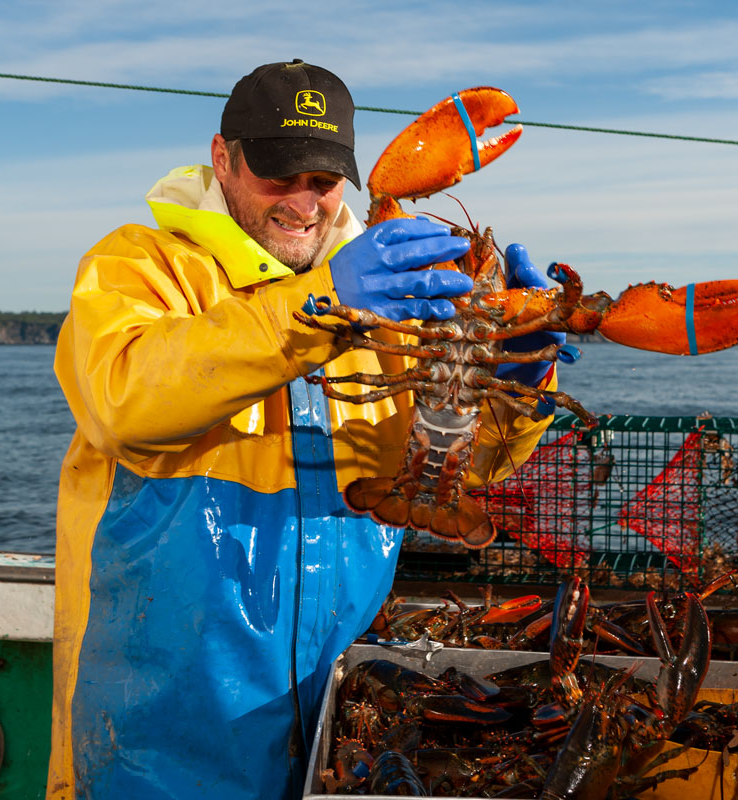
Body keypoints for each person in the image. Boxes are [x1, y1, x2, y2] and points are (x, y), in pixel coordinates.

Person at [47, 59, 564, 800]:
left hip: (339, 721)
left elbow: (461, 472)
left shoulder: (395, 301)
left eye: (322, 180)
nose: (302, 200)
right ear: (222, 158)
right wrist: (319, 303)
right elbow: (127, 399)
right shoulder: (139, 264)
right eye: (277, 172)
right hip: (159, 731)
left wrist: (518, 390)